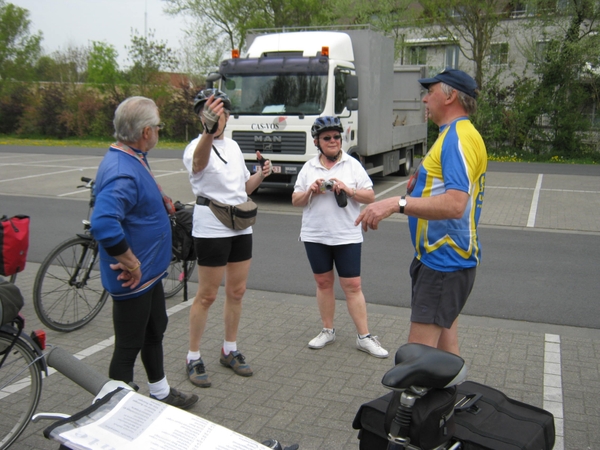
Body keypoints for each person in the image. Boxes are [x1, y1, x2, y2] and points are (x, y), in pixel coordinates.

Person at [356, 68, 487, 356]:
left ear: (450, 95)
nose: (425, 100)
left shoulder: (457, 138)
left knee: (416, 357)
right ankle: (448, 397)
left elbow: (455, 204)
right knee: (445, 352)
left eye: (430, 92)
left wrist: (396, 203)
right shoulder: (455, 134)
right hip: (442, 259)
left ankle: (414, 399)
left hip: (444, 262)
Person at [90, 96, 198, 409]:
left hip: (149, 275)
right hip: (133, 280)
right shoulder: (123, 169)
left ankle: (161, 393)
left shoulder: (132, 155)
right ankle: (114, 415)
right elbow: (104, 223)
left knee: (155, 330)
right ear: (147, 132)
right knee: (128, 347)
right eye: (159, 127)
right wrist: (131, 262)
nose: (160, 131)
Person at [183, 88, 272, 387]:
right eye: (209, 113)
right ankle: (193, 356)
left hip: (240, 225)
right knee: (207, 295)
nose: (217, 118)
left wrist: (261, 175)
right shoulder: (196, 146)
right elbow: (199, 164)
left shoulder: (233, 147)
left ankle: (229, 349)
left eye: (221, 113)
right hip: (211, 227)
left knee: (237, 291)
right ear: (200, 116)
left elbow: (243, 189)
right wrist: (208, 133)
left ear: (228, 116)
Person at [291, 116, 389, 358]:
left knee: (352, 286)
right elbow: (295, 200)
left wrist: (349, 189)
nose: (333, 141)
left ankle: (364, 337)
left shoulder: (352, 165)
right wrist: (310, 191)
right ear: (317, 142)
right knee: (323, 283)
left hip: (347, 235)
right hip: (315, 235)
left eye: (336, 136)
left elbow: (370, 196)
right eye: (327, 138)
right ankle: (328, 330)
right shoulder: (308, 167)